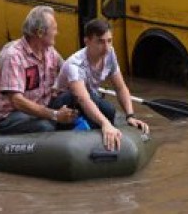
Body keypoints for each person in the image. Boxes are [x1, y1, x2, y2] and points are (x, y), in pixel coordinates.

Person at [51, 19, 149, 151]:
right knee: (103, 107)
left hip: (88, 98)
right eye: (100, 41)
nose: (107, 47)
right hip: (64, 102)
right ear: (87, 41)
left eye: (109, 41)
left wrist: (130, 116)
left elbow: (120, 87)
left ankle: (90, 129)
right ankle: (74, 131)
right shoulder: (75, 64)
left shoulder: (110, 54)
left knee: (108, 110)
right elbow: (83, 98)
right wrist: (105, 124)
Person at [0, 6, 77, 134]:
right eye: (54, 29)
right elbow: (17, 101)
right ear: (40, 33)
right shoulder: (14, 56)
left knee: (75, 96)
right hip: (12, 114)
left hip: (41, 105)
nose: (56, 33)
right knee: (45, 127)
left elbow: (68, 73)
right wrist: (54, 114)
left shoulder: (50, 52)